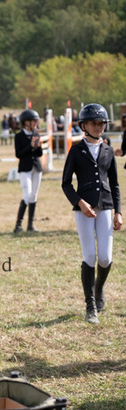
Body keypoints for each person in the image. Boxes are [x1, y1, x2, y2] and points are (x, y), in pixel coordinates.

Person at [62, 103, 122, 324]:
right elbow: (66, 183)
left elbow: (114, 184)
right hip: (84, 210)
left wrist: (118, 212)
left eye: (101, 123)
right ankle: (90, 306)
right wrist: (80, 203)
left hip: (105, 206)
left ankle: (99, 289)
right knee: (89, 256)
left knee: (105, 258)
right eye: (94, 123)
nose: (98, 127)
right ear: (84, 126)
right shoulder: (76, 151)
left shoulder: (108, 150)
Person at [13, 109, 43, 233]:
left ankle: (30, 225)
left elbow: (39, 154)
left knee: (34, 195)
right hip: (25, 168)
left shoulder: (36, 134)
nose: (36, 123)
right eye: (33, 121)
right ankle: (18, 225)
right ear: (26, 122)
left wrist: (39, 147)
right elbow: (18, 154)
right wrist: (30, 146)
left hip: (36, 168)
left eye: (36, 121)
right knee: (27, 194)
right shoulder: (18, 136)